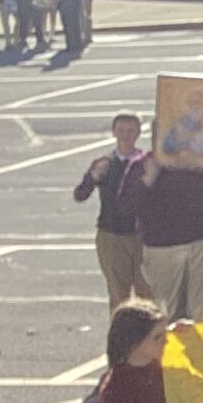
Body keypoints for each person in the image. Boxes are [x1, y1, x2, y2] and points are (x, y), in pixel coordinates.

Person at [118, 152, 203, 321]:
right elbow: (127, 205)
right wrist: (148, 179)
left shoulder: (195, 157)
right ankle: (169, 347)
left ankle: (201, 347)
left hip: (200, 241)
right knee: (169, 314)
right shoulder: (142, 164)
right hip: (162, 248)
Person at [76, 116, 150, 308]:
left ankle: (147, 336)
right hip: (112, 235)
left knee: (148, 294)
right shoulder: (105, 163)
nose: (126, 136)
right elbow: (80, 195)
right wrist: (93, 177)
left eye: (131, 131)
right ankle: (121, 336)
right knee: (119, 295)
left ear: (139, 133)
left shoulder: (146, 162)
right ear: (114, 132)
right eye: (122, 130)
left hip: (142, 236)